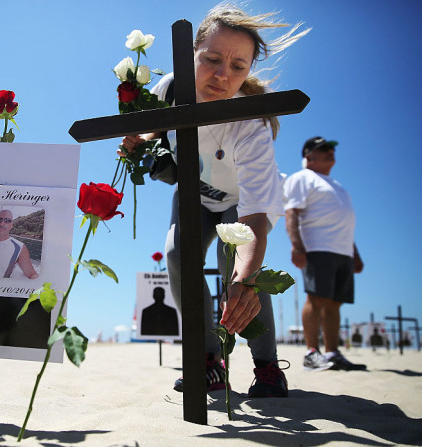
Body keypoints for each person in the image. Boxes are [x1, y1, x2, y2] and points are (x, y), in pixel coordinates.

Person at [121, 3, 308, 397]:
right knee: (176, 255)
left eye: (238, 67)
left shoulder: (251, 125)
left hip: (241, 205)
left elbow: (256, 218)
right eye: (211, 59)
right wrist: (138, 141)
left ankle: (267, 366)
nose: (223, 75)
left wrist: (244, 277)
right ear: (191, 52)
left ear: (249, 71)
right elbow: (154, 132)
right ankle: (209, 361)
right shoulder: (170, 88)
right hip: (193, 196)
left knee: (240, 275)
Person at [284, 136, 366, 371]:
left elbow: (345, 222)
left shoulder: (337, 185)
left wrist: (355, 254)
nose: (330, 152)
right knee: (316, 299)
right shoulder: (302, 178)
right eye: (324, 149)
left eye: (331, 148)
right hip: (317, 247)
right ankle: (312, 353)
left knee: (334, 304)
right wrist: (297, 246)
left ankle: (332, 353)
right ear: (309, 157)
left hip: (342, 251)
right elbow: (292, 214)